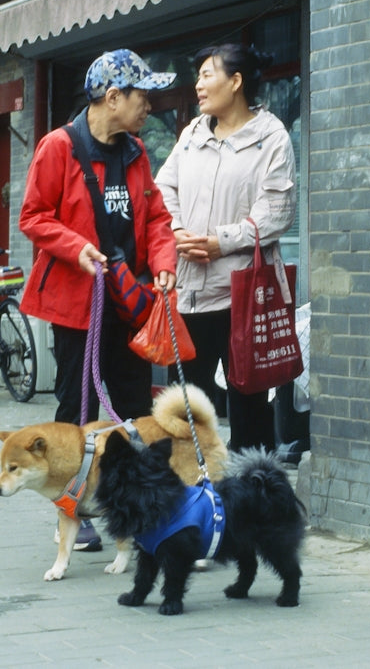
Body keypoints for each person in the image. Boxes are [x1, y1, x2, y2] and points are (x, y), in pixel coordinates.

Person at [20, 48, 178, 551]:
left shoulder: (136, 151)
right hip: (76, 304)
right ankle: (74, 513)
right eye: (141, 96)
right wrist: (76, 247)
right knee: (75, 412)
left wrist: (164, 262)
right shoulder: (58, 147)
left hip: (129, 306)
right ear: (113, 98)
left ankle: (138, 509)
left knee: (133, 412)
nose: (147, 106)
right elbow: (34, 216)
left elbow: (154, 218)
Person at [156, 44, 296, 452]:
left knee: (248, 406)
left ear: (235, 82)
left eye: (206, 75)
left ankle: (250, 500)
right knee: (186, 406)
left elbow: (277, 210)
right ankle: (189, 494)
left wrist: (223, 242)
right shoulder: (192, 133)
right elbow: (164, 187)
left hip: (243, 293)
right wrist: (177, 229)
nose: (198, 85)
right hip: (192, 293)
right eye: (197, 76)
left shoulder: (270, 137)